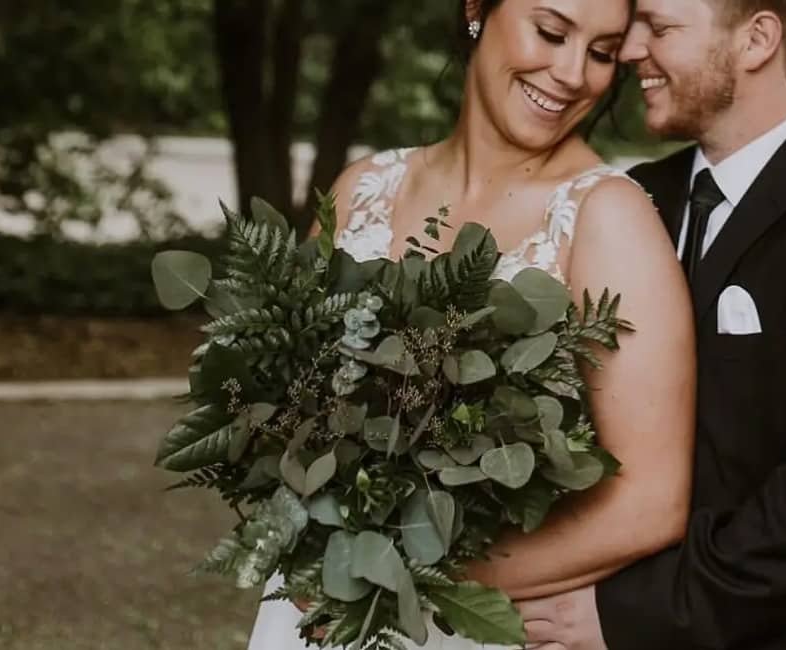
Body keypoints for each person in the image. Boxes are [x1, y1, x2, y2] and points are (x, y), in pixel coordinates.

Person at [245, 1, 697, 649]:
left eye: (601, 53)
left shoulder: (608, 218)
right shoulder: (362, 189)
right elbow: (280, 412)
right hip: (312, 609)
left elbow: (650, 504)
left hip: (473, 625)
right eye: (551, 32)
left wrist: (407, 574)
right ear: (477, 10)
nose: (572, 74)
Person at [516, 1, 786, 648]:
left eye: (661, 28)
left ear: (757, 40)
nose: (632, 49)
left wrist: (632, 610)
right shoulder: (631, 201)